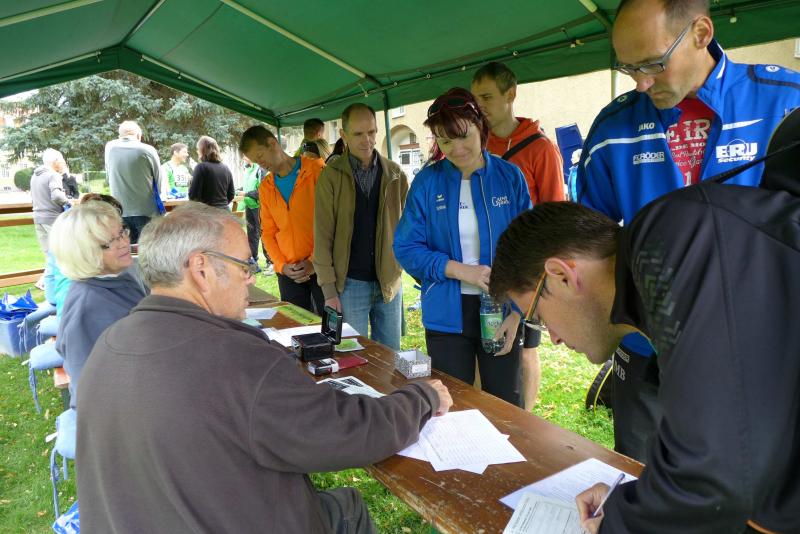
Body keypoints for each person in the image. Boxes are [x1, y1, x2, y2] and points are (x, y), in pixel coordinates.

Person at [489, 128, 800, 531]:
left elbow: (714, 476)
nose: (555, 337)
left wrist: (619, 522)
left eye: (538, 316)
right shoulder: (659, 281)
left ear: (561, 275)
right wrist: (637, 500)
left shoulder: (673, 239)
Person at [75, 202, 452, 533]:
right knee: (347, 509)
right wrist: (421, 397)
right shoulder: (235, 358)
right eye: (244, 265)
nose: (251, 278)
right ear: (201, 269)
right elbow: (347, 432)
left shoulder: (108, 344)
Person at [572, 0, 800, 462]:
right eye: (628, 68)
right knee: (639, 473)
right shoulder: (613, 129)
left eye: (652, 63)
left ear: (701, 33)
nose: (641, 83)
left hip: (761, 354)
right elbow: (589, 239)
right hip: (646, 354)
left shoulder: (785, 104)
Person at [394, 88, 530, 406]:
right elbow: (406, 247)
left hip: (500, 309)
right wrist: (460, 270)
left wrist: (517, 313)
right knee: (451, 404)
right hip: (446, 315)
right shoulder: (427, 183)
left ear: (480, 126)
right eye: (444, 141)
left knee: (504, 405)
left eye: (463, 136)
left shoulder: (510, 177)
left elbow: (529, 249)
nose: (456, 149)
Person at [472, 61, 565, 410]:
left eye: (486, 97)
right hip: (481, 270)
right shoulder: (475, 145)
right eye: (475, 99)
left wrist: (540, 273)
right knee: (482, 348)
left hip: (525, 272)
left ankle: (525, 422)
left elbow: (555, 216)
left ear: (510, 94)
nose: (479, 106)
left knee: (525, 350)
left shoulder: (540, 148)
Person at [313, 104, 408, 350]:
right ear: (343, 135)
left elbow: (407, 230)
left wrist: (401, 268)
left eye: (372, 132)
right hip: (349, 284)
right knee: (351, 357)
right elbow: (322, 237)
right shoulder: (331, 176)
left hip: (389, 282)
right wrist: (329, 291)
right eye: (358, 134)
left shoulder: (395, 174)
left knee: (390, 356)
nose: (367, 140)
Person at [49, 201, 147, 408]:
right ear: (83, 252)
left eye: (121, 232)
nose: (123, 242)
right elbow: (88, 389)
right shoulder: (86, 309)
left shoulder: (122, 272)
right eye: (108, 243)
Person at [240, 126, 325, 312]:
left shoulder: (317, 171)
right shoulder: (266, 187)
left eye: (260, 156)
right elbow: (268, 232)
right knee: (296, 323)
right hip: (288, 272)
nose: (260, 164)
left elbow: (332, 225)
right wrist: (281, 265)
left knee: (330, 325)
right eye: (256, 161)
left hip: (323, 267)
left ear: (273, 143)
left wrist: (314, 261)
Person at [105, 120, 162, 244]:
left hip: (120, 210)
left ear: (120, 136)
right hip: (146, 210)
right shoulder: (147, 150)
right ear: (138, 135)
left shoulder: (110, 148)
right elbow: (158, 178)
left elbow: (108, 177)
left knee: (126, 249)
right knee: (148, 248)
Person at [30, 148, 71, 254]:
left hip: (38, 219)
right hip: (52, 218)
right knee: (62, 253)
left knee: (49, 254)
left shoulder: (35, 176)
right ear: (55, 161)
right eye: (61, 161)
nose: (62, 163)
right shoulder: (53, 175)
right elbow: (57, 196)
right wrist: (69, 201)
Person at [240, 155, 272, 273]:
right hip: (249, 206)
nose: (243, 157)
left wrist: (246, 194)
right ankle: (253, 262)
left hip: (259, 207)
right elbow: (246, 186)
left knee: (264, 234)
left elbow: (262, 191)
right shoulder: (247, 169)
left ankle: (271, 263)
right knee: (251, 235)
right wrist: (239, 191)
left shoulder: (260, 169)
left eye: (245, 154)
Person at [188, 135, 235, 209]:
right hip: (224, 211)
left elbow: (193, 196)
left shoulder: (201, 167)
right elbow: (231, 194)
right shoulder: (226, 168)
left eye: (198, 149)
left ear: (202, 150)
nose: (197, 151)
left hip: (207, 213)